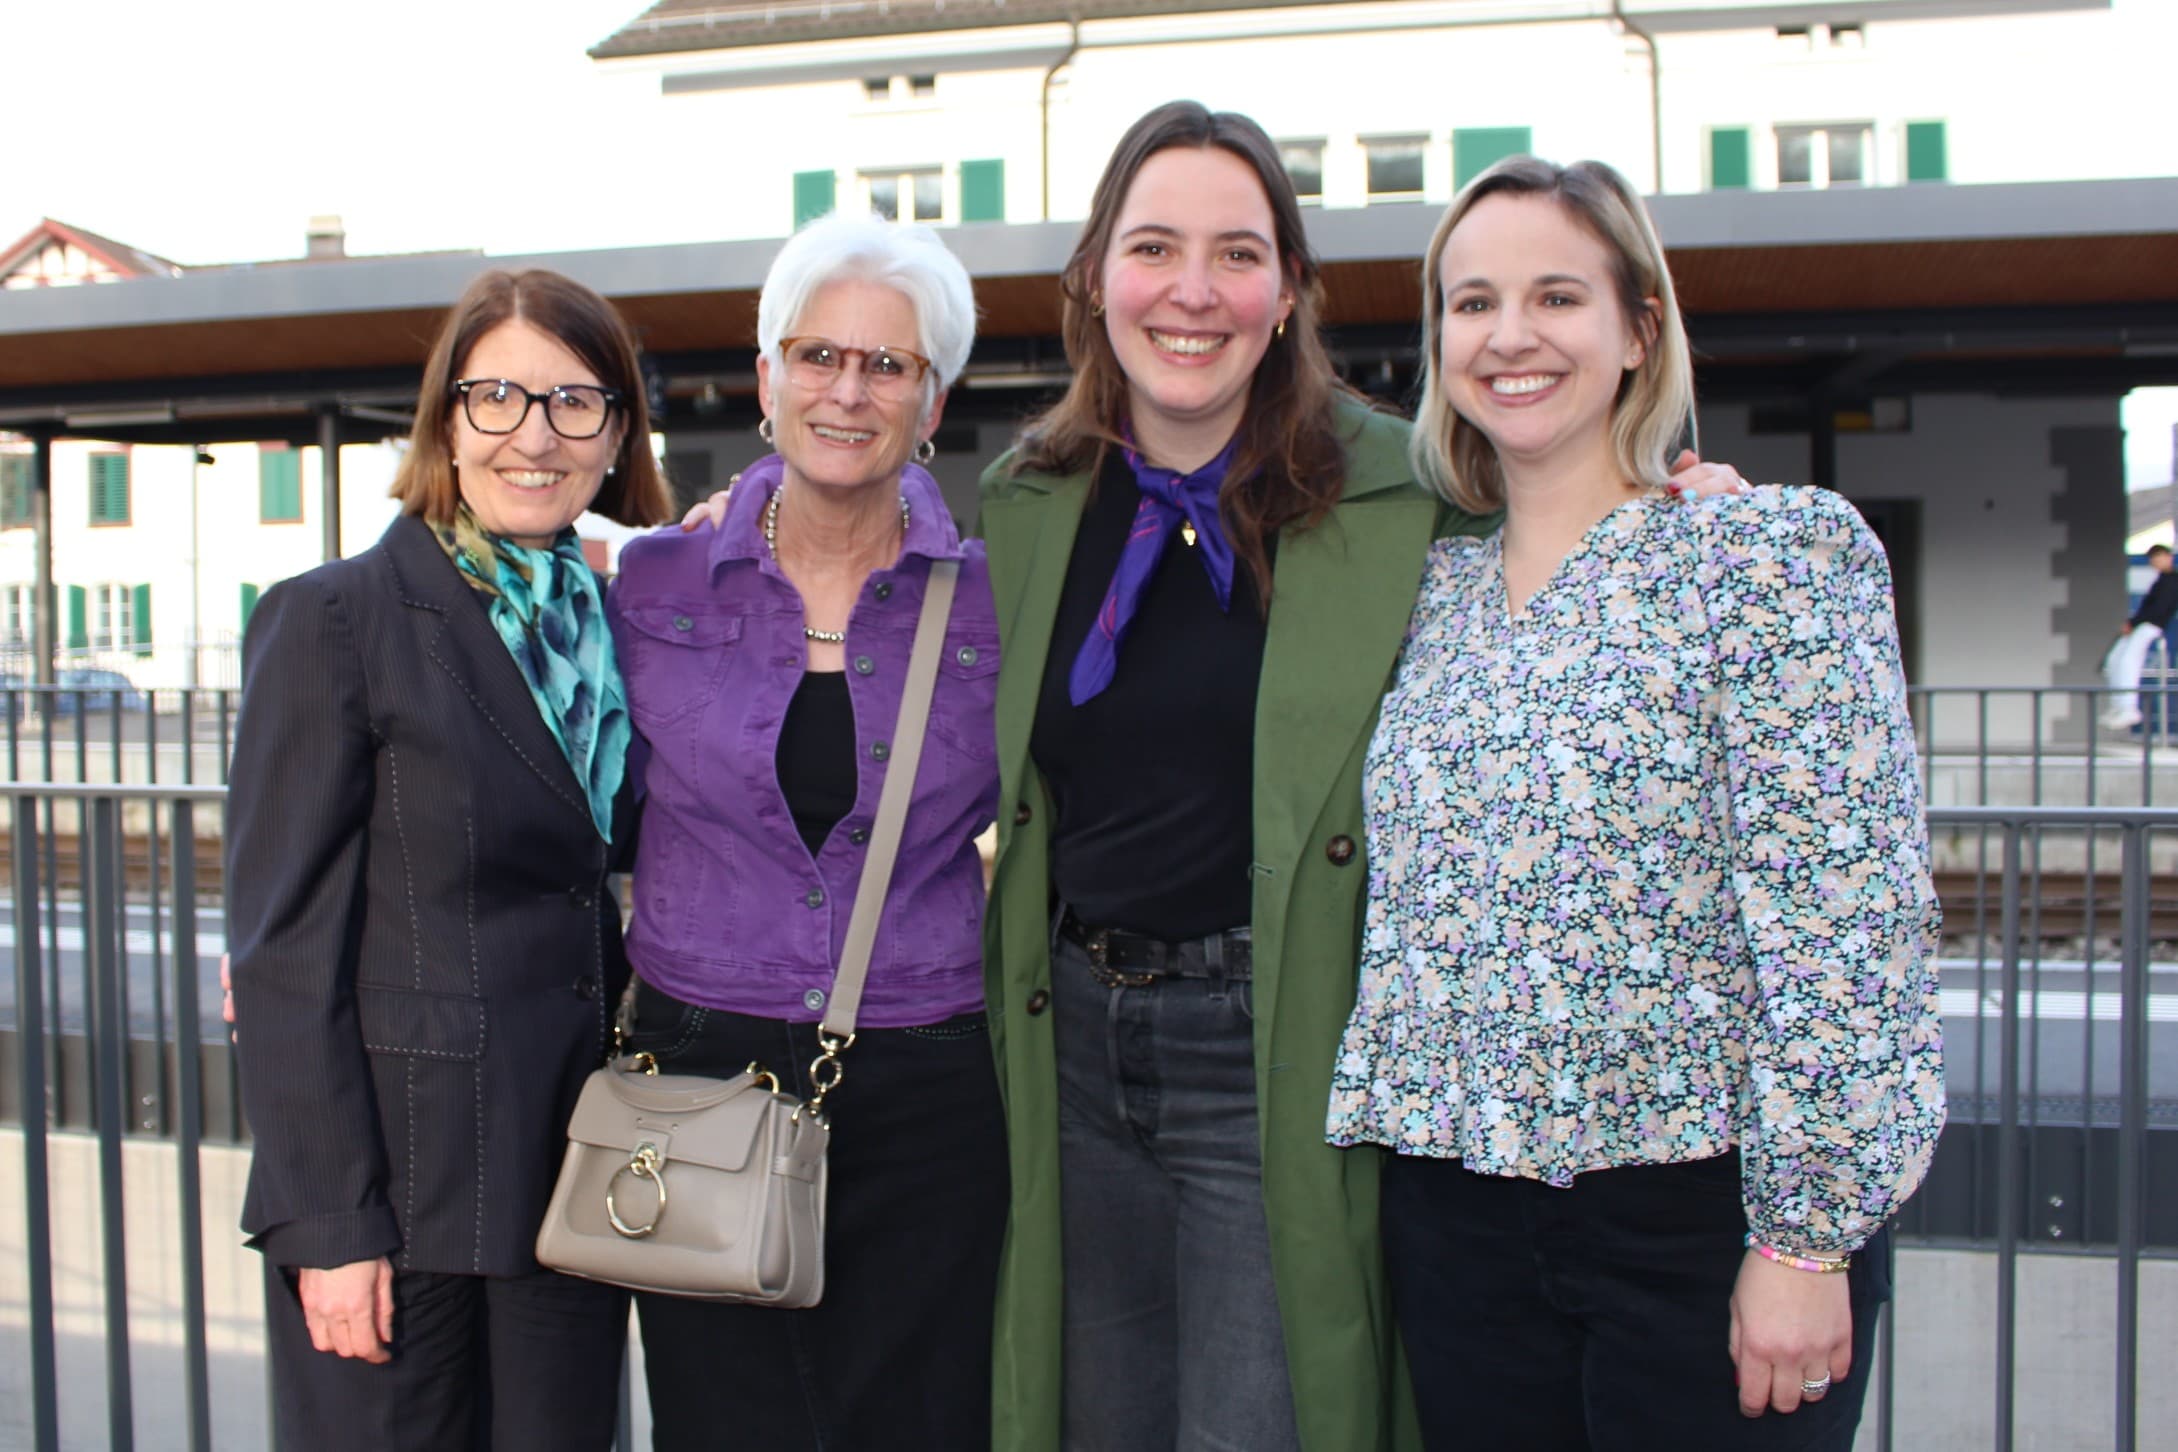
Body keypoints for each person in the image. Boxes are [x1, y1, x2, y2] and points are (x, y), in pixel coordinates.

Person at [976, 103, 1749, 1452]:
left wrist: (1679, 500)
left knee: (1253, 1424)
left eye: (1237, 253)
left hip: (1271, 1046)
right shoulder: (1024, 501)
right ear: (1095, 278)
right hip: (1071, 1051)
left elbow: (1572, 503)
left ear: (1287, 295)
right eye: (1154, 248)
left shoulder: (1407, 489)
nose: (1193, 292)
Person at [1326, 156, 1945, 1451]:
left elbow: (1844, 919)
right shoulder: (1414, 597)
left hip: (1700, 1224)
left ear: (1636, 327)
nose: (1508, 337)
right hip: (1455, 1220)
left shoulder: (1764, 557)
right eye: (1470, 300)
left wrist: (1805, 1239)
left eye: (1555, 295)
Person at [226, 268, 671, 1449]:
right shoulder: (336, 621)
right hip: (403, 1205)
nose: (536, 436)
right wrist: (328, 1225)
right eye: (498, 398)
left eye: (577, 402)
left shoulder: (620, 630)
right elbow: (280, 952)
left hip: (574, 1182)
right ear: (445, 420)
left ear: (618, 431)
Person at [610, 212, 1007, 1451]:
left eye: (887, 365)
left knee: (923, 1421)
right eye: (817, 355)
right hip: (697, 1074)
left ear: (932, 399)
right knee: (724, 1425)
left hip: (928, 1083)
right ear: (768, 377)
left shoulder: (1003, 600)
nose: (849, 389)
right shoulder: (649, 585)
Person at [2103, 542, 2178, 729]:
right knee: (2114, 661)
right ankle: (2119, 705)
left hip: (2151, 625)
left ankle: (2128, 707)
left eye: (2160, 557)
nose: (2157, 561)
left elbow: (2159, 609)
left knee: (2129, 661)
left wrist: (2134, 623)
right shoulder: (2161, 581)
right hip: (2142, 624)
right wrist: (2133, 623)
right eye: (2154, 558)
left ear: (2168, 557)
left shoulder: (2172, 581)